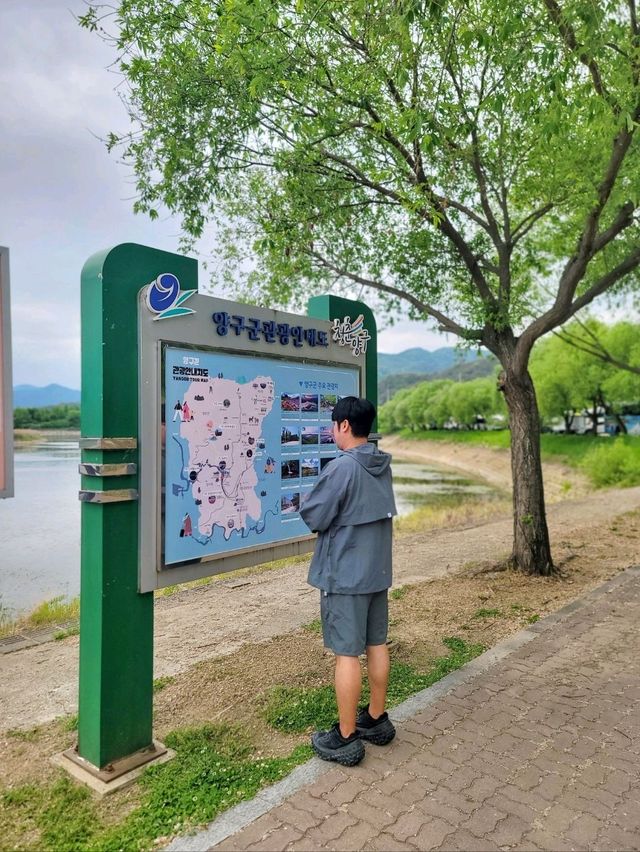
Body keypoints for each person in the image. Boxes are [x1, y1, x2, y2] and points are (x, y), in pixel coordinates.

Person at [299, 396, 397, 766]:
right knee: (377, 643)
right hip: (376, 573)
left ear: (343, 426)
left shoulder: (342, 468)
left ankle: (344, 737)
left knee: (346, 655)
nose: (330, 431)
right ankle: (375, 718)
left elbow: (315, 515)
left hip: (345, 576)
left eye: (332, 424)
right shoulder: (380, 464)